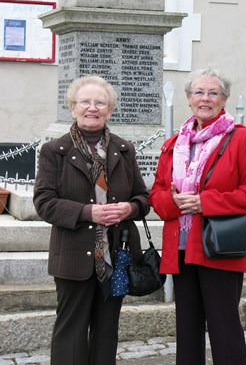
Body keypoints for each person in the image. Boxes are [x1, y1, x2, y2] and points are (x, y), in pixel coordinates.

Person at [148, 67, 246, 365]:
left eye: (213, 93)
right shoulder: (174, 143)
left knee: (224, 327)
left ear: (224, 99)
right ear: (188, 98)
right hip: (181, 248)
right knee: (186, 330)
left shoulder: (240, 138)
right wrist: (174, 203)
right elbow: (158, 193)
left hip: (218, 246)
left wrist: (204, 202)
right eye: (199, 92)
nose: (205, 98)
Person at [33, 75, 149, 365]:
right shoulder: (54, 151)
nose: (92, 107)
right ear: (73, 107)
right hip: (74, 255)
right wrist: (89, 213)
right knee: (70, 332)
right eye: (85, 101)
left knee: (107, 331)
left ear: (110, 110)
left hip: (116, 257)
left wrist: (129, 210)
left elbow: (142, 198)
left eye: (101, 102)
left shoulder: (124, 149)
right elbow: (44, 203)